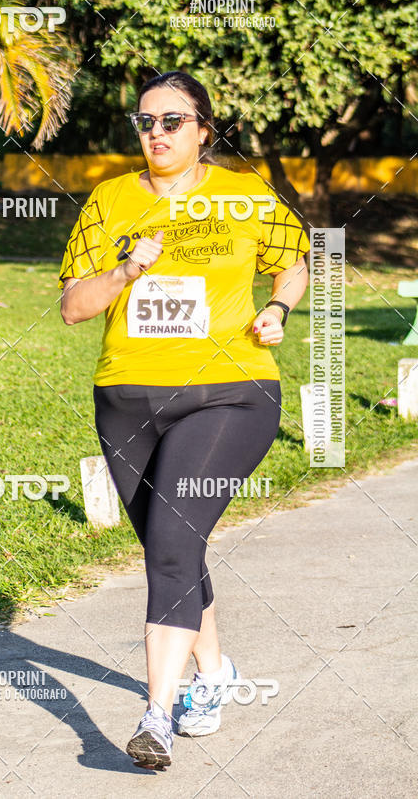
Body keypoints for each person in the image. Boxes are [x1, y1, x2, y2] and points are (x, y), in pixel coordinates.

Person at [57, 71, 310, 770]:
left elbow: (295, 262)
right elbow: (74, 307)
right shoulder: (110, 201)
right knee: (175, 550)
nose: (157, 133)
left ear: (204, 128)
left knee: (171, 539)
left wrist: (278, 309)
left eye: (173, 120)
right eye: (145, 122)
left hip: (229, 391)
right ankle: (217, 674)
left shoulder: (244, 194)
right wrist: (125, 273)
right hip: (126, 397)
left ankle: (156, 717)